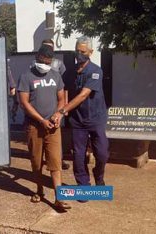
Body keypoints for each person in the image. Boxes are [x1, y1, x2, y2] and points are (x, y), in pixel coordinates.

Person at [18, 45, 71, 212]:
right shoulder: (26, 77)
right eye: (43, 61)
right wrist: (41, 120)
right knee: (36, 161)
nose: (45, 65)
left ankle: (59, 198)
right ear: (38, 57)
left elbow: (62, 98)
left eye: (48, 62)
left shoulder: (55, 76)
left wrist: (58, 114)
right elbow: (24, 103)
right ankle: (39, 190)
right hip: (34, 126)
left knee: (55, 162)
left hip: (53, 127)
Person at [54, 36, 109, 193]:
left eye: (83, 51)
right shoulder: (69, 72)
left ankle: (98, 174)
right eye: (77, 51)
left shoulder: (96, 71)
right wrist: (63, 110)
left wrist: (62, 110)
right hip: (77, 121)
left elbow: (83, 95)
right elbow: (64, 92)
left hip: (96, 119)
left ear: (90, 52)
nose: (79, 54)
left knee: (102, 153)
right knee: (78, 155)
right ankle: (83, 186)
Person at [41, 39, 71, 171]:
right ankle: (44, 160)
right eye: (46, 47)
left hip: (56, 104)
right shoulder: (34, 63)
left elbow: (65, 86)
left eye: (50, 48)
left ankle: (58, 159)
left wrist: (65, 105)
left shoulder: (59, 63)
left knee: (56, 132)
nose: (48, 50)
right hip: (41, 104)